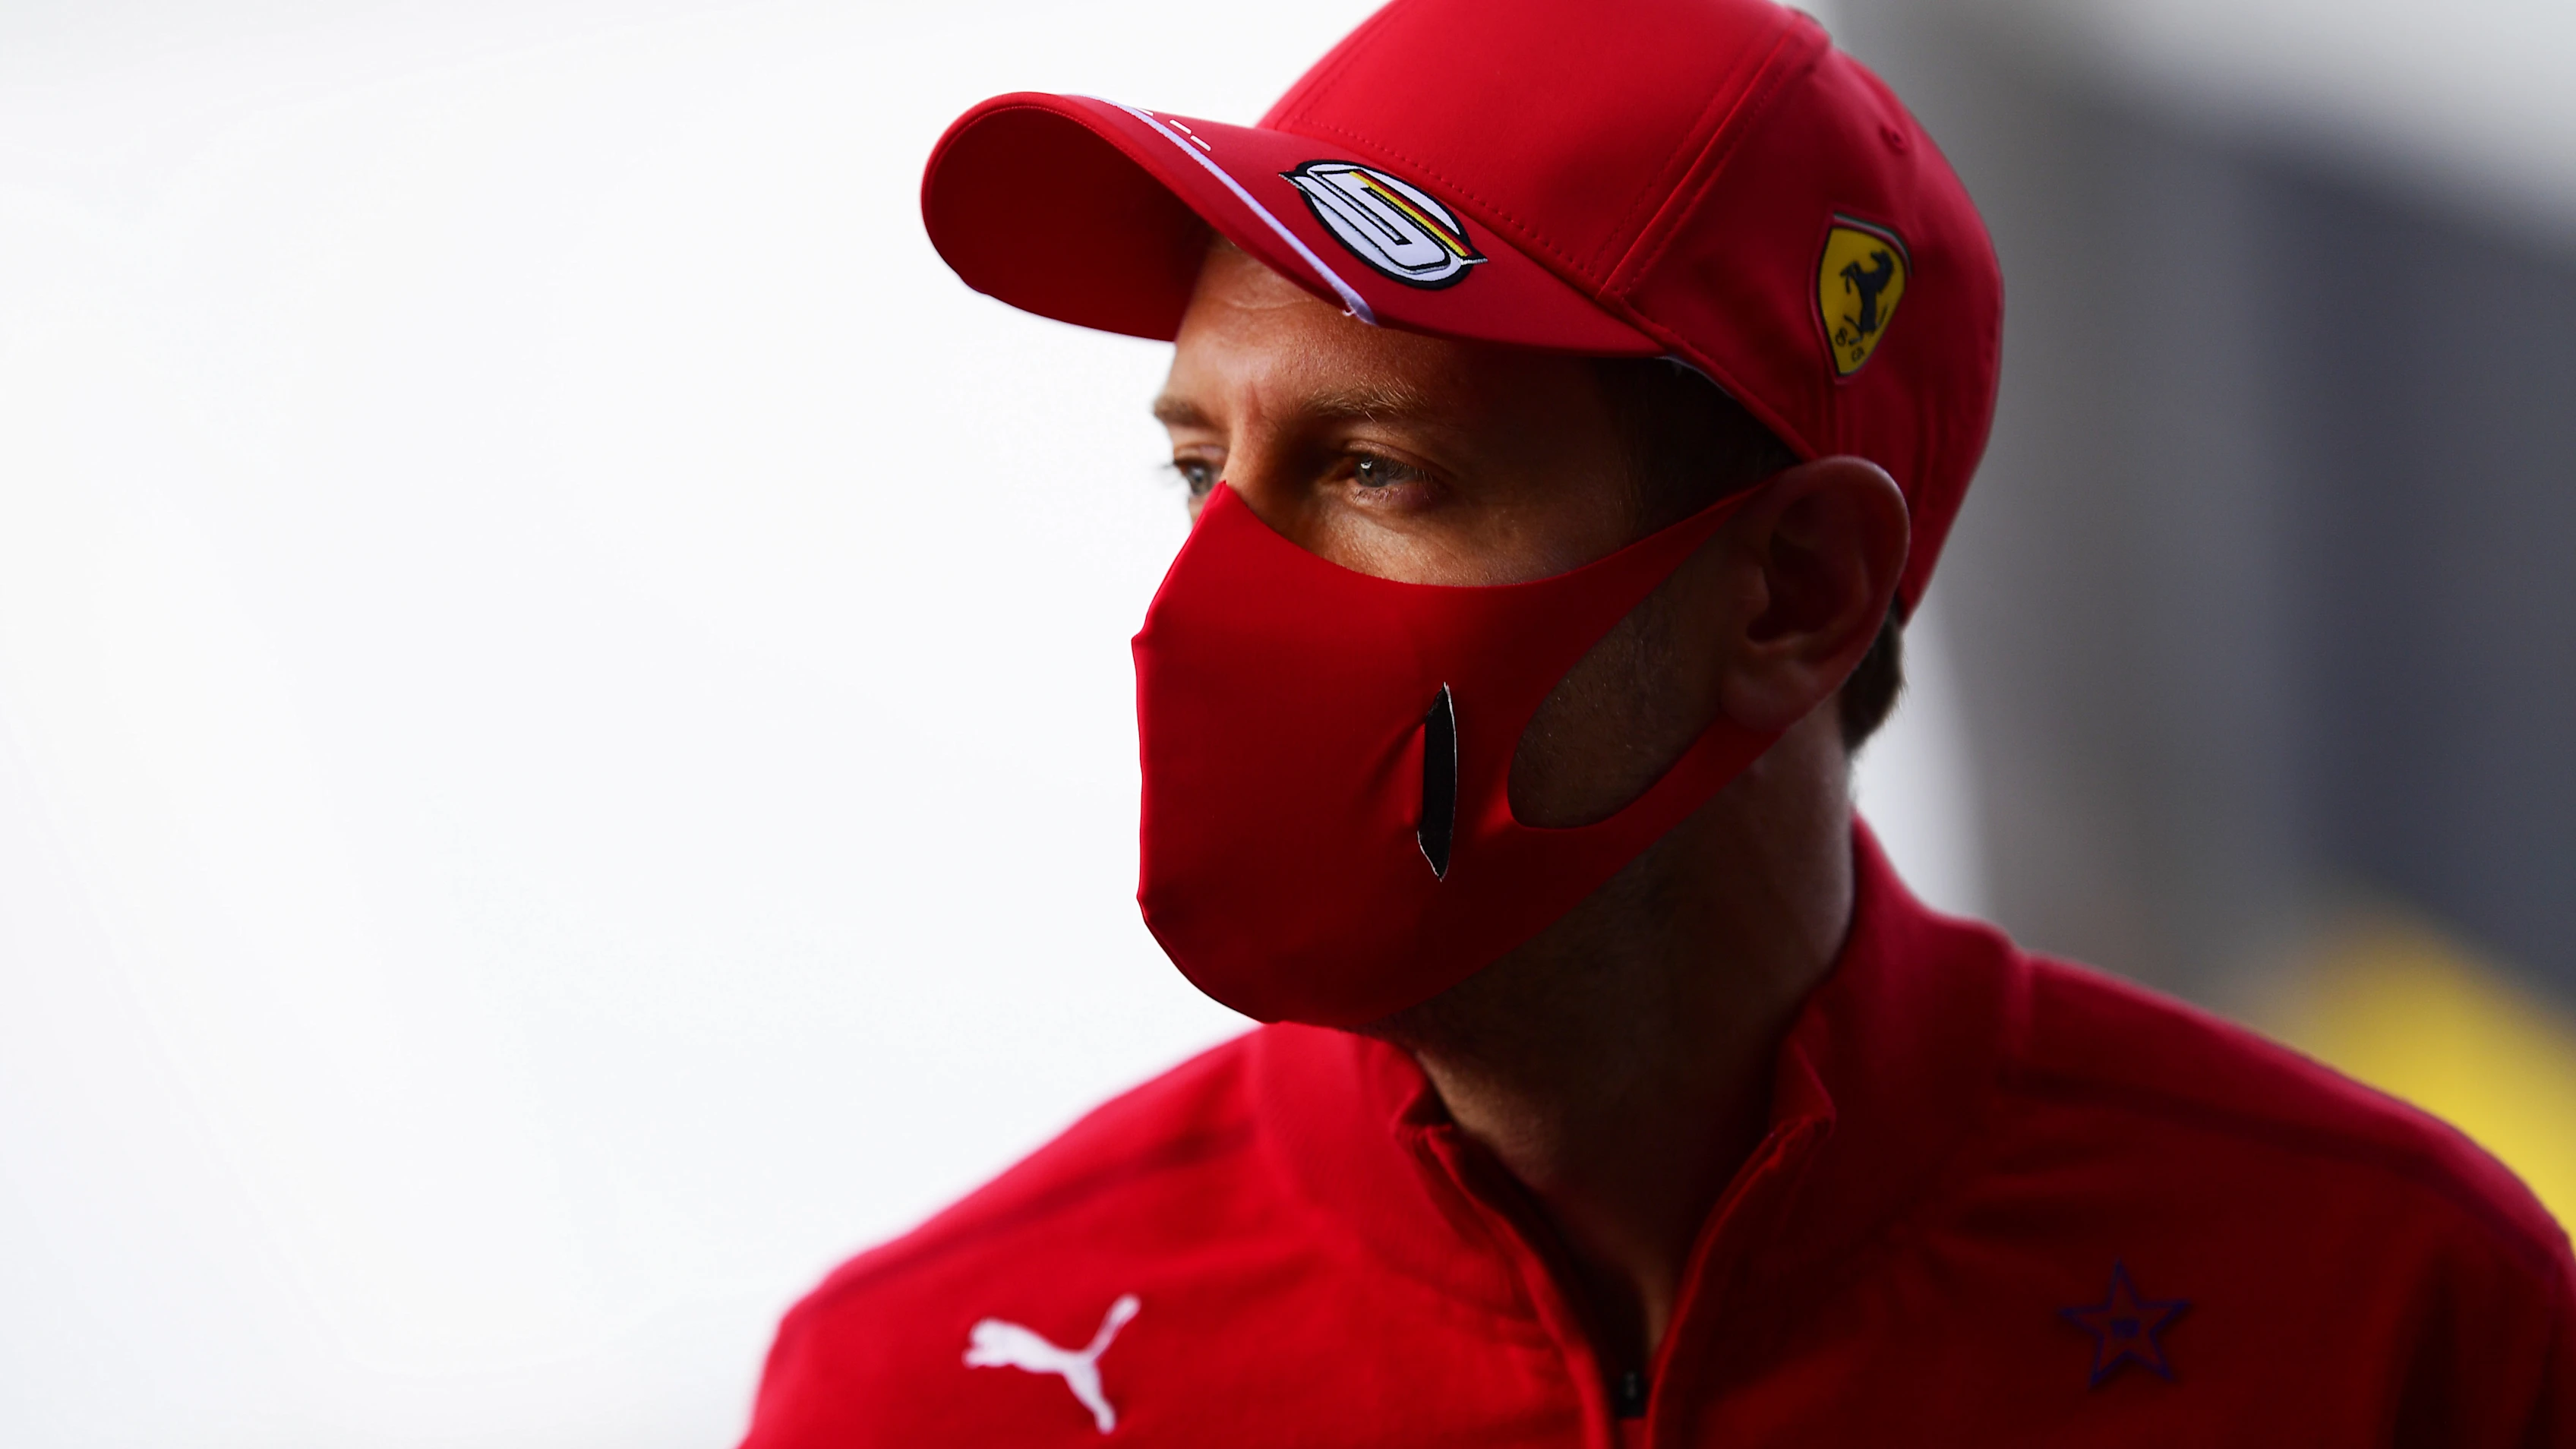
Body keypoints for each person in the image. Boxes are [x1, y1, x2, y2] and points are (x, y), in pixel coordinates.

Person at [740, 0, 2576, 1442]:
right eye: (1201, 470)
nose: (1207, 599)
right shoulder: (930, 1388)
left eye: (1376, 469)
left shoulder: (2386, 1311)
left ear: (1792, 594)